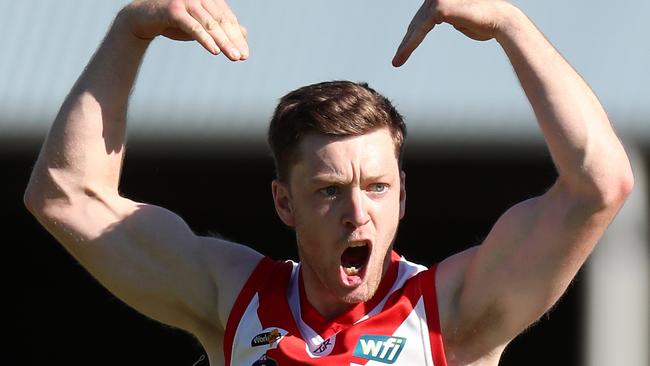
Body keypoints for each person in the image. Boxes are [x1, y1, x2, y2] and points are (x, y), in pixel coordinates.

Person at [24, 0, 633, 365]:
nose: (356, 212)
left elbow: (598, 185)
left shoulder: (453, 311)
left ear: (403, 195)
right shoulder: (229, 297)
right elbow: (64, 196)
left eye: (376, 187)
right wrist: (133, 29)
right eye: (328, 190)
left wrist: (509, 24)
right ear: (283, 203)